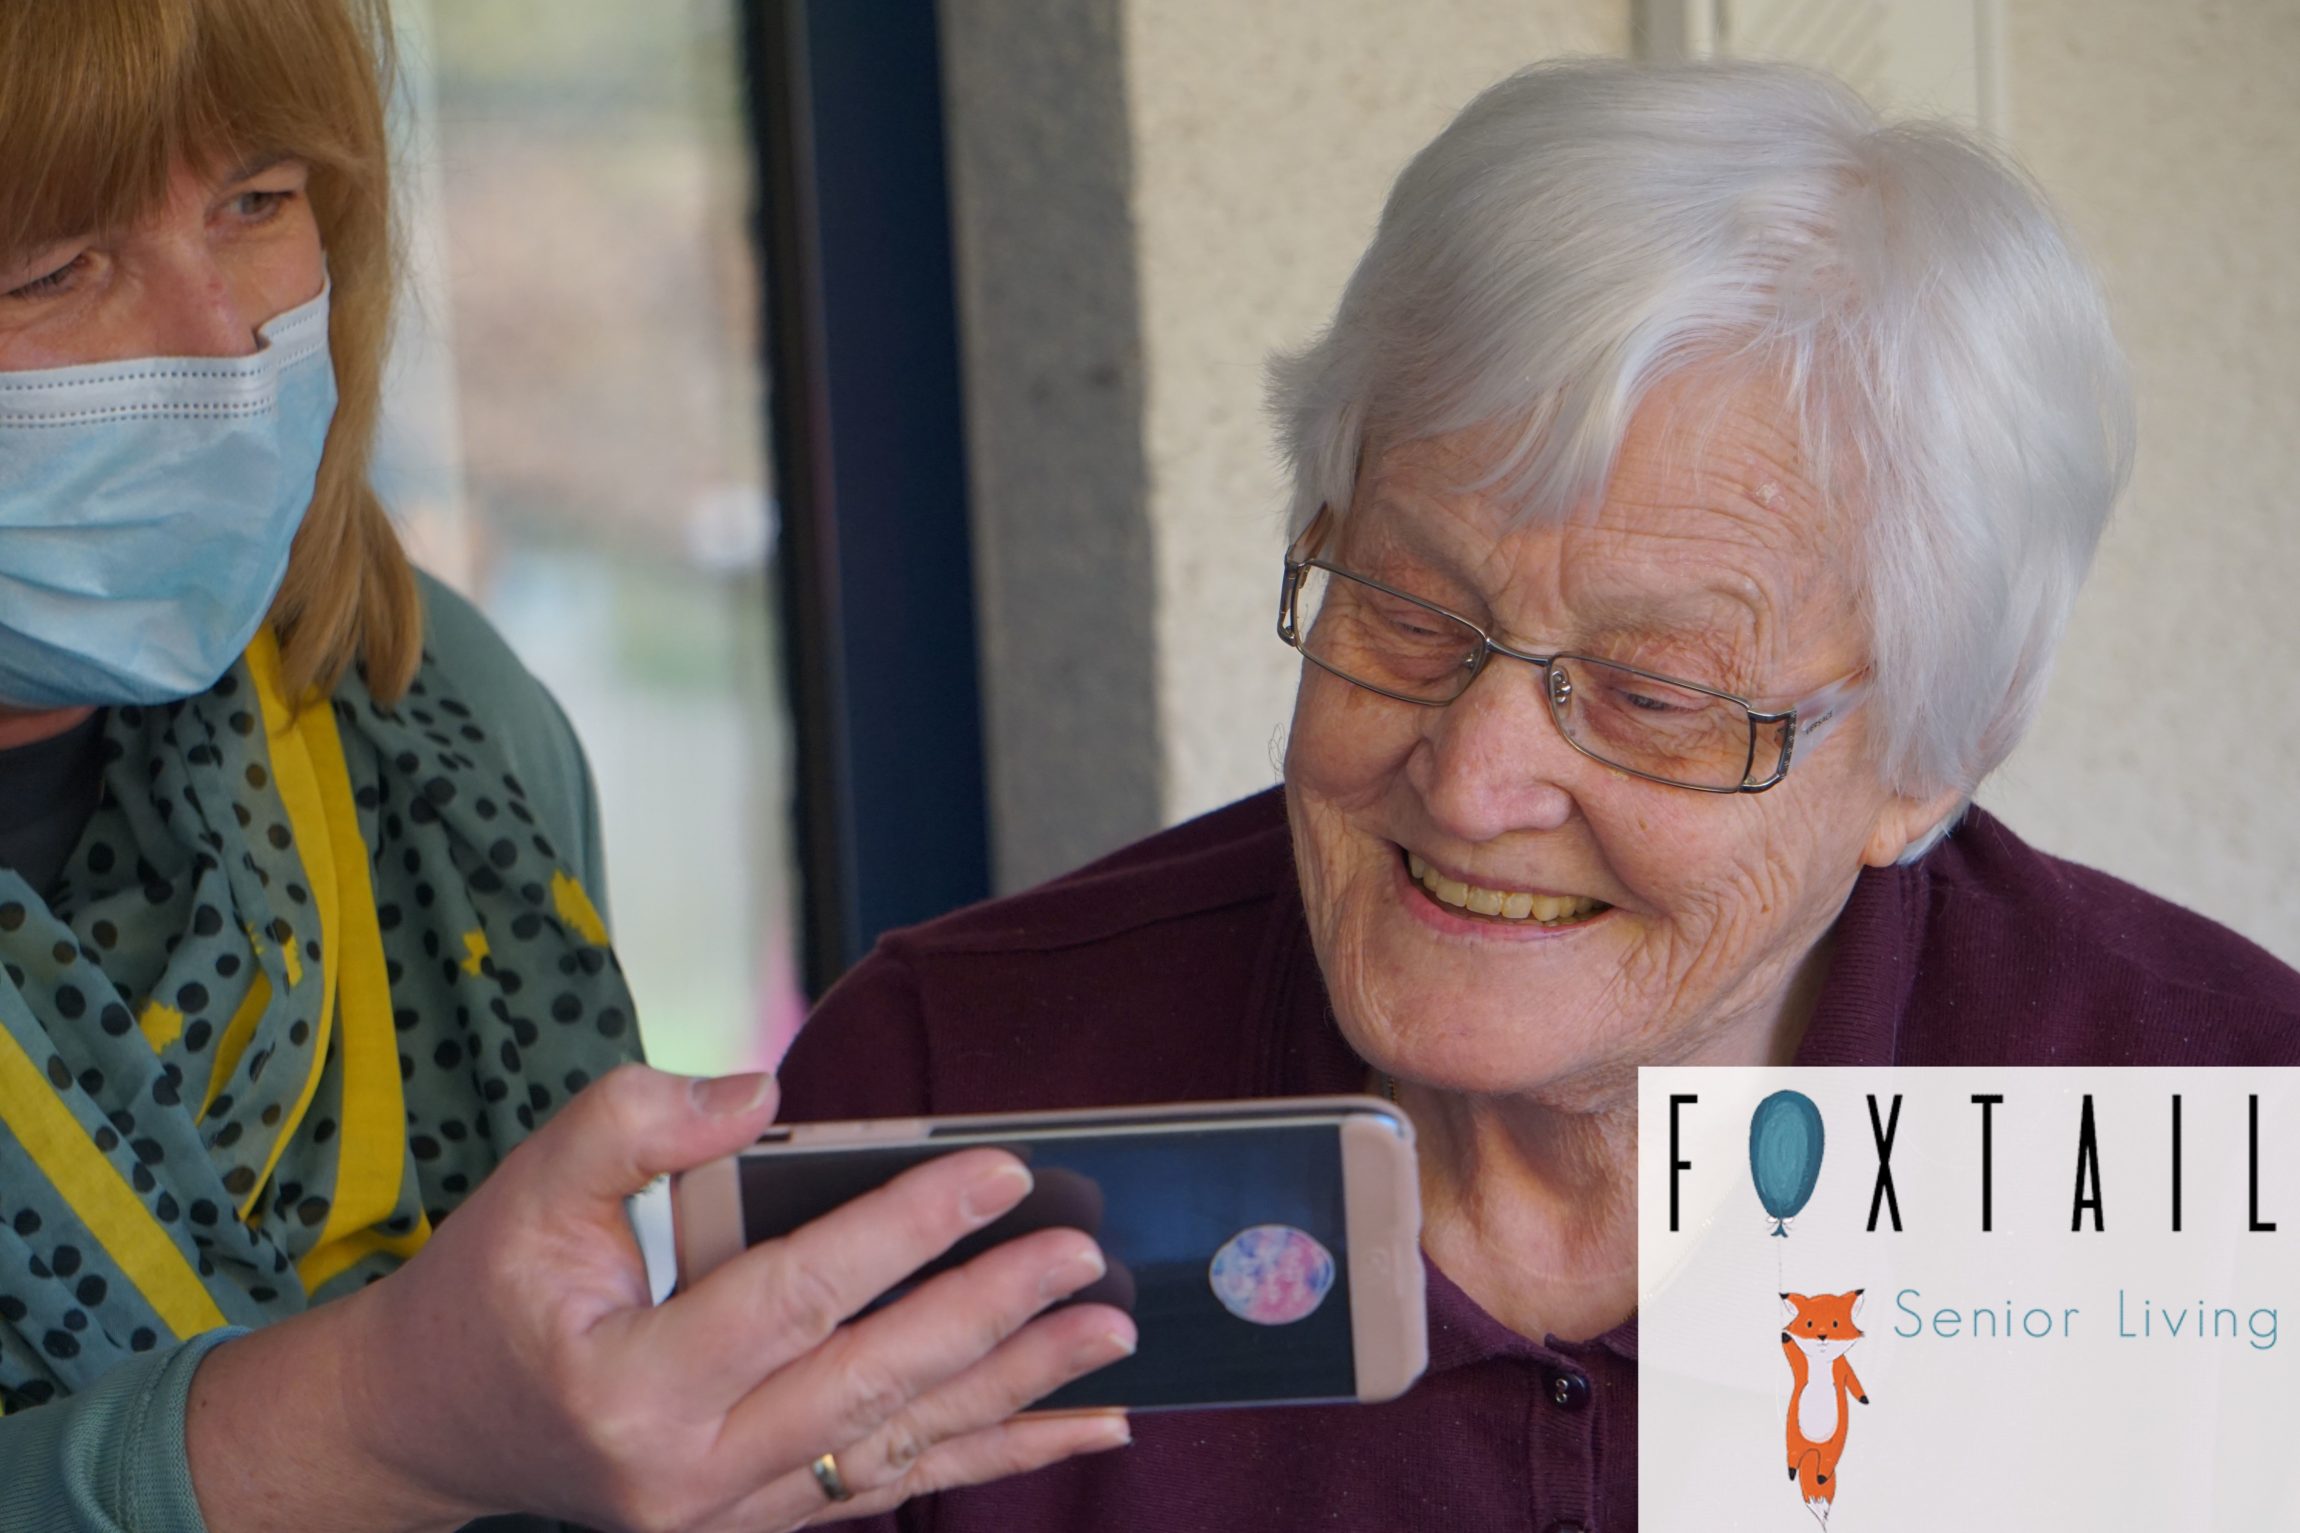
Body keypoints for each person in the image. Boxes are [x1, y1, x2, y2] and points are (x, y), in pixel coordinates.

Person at [773, 57, 2300, 1531]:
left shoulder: (2226, 1138)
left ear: (1922, 765)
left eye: (1656, 695)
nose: (1473, 775)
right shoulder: (951, 1097)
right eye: (1410, 613)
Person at [0, 2, 1134, 1529]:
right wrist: (375, 1421)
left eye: (259, 203)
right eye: (56, 266)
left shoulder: (424, 712)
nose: (225, 343)